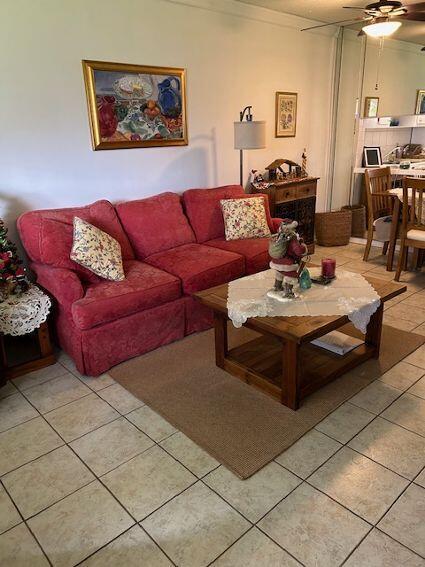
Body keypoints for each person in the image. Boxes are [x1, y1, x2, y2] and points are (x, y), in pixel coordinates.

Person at [269, 219, 308, 298]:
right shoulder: (292, 237)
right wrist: (303, 247)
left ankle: (277, 286)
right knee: (291, 276)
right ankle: (288, 292)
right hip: (287, 263)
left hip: (276, 261)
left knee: (279, 273)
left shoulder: (279, 235)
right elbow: (298, 251)